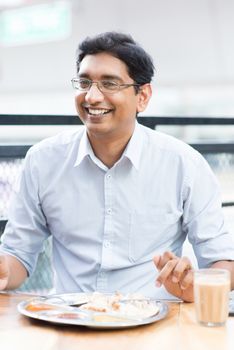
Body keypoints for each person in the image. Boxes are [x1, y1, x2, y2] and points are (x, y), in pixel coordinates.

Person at [0, 32, 234, 301]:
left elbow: (223, 262)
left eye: (109, 84)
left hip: (155, 324)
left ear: (142, 96)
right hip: (68, 321)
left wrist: (196, 285)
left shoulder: (184, 163)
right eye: (85, 82)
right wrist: (4, 269)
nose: (92, 96)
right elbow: (17, 257)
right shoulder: (42, 160)